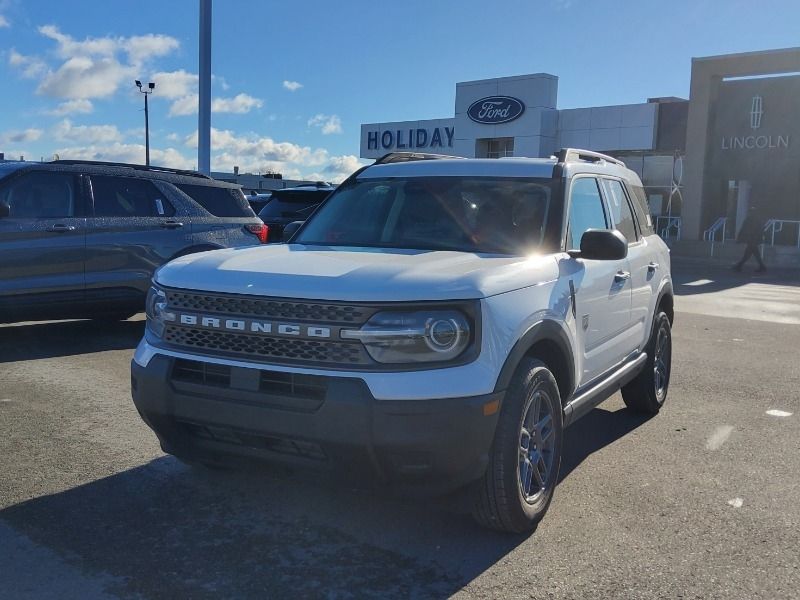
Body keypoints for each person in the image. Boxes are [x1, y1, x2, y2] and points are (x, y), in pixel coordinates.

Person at [733, 205, 767, 273]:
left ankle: (739, 266)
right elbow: (761, 229)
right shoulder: (758, 219)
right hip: (754, 239)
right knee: (753, 253)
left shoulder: (749, 219)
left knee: (748, 253)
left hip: (751, 239)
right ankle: (762, 266)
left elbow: (744, 229)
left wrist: (739, 238)